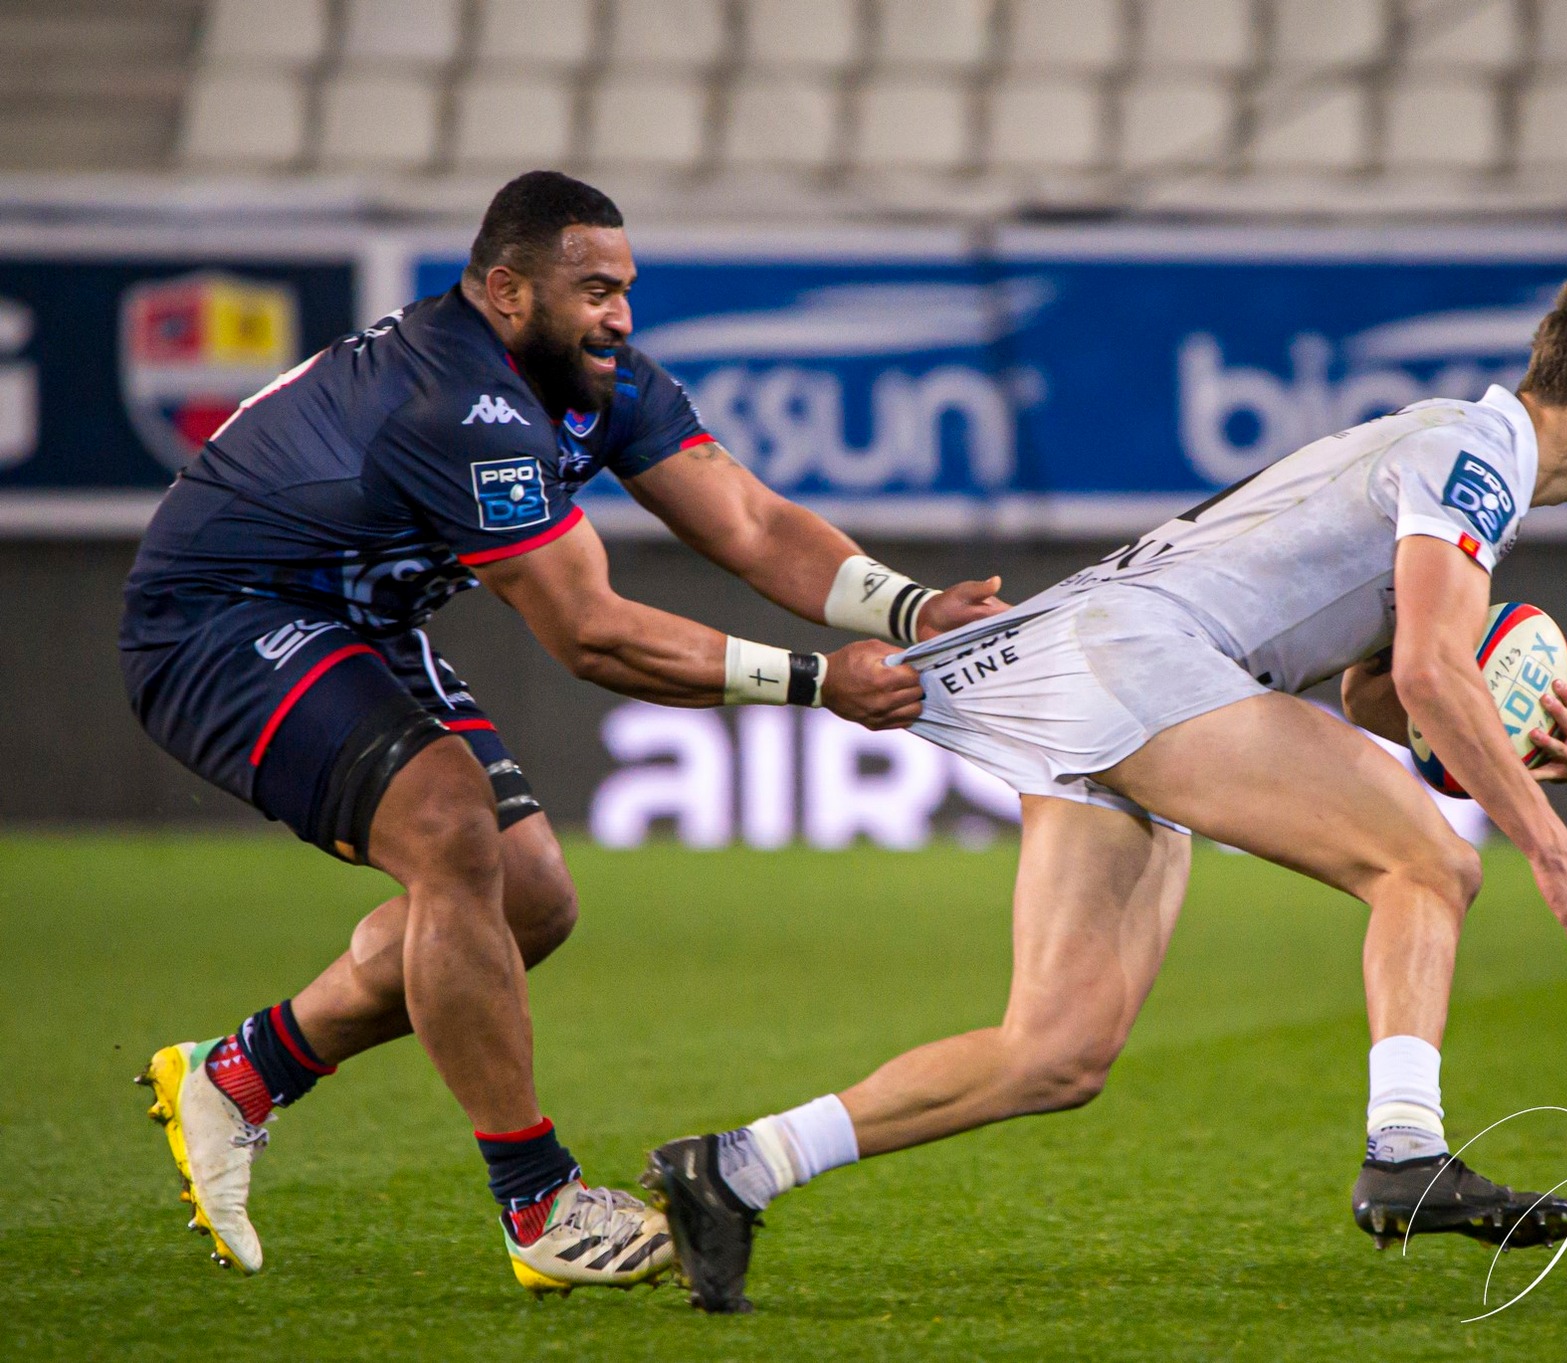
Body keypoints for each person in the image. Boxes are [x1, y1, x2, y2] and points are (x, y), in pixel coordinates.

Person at [644, 275, 1567, 1314]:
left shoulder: (1441, 440)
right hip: (1148, 661)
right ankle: (1405, 1152)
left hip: (1102, 664)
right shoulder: (1477, 455)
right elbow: (1433, 672)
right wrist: (1553, 849)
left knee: (1056, 1051)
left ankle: (735, 1167)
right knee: (1428, 863)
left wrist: (1510, 745)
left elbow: (1376, 693)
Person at [121, 171, 1004, 1295]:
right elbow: (592, 635)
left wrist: (911, 609)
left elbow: (751, 521)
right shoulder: (460, 399)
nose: (619, 317)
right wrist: (818, 682)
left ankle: (247, 1072)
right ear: (503, 290)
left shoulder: (595, 378)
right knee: (447, 825)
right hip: (216, 623)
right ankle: (537, 1202)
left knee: (529, 898)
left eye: (625, 289)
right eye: (593, 290)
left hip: (359, 614)